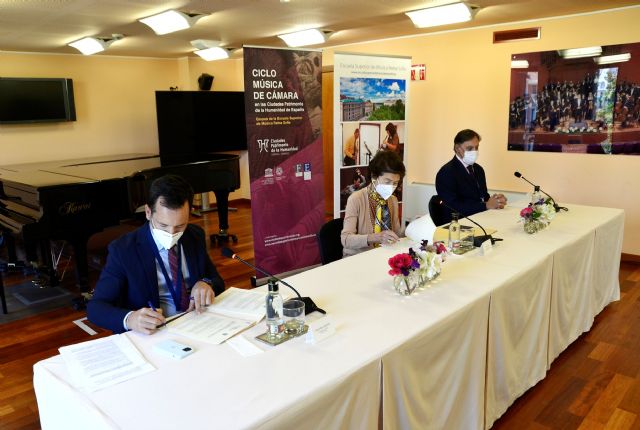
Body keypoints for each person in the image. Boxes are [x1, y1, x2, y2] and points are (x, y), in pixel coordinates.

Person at [87, 175, 225, 334]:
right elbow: (95, 307)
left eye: (180, 226)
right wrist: (130, 319)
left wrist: (205, 282)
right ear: (148, 212)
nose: (171, 233)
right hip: (154, 332)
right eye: (163, 225)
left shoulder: (194, 235)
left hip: (195, 323)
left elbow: (216, 280)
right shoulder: (123, 250)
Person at [341, 151, 405, 257]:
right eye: (387, 182)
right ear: (374, 177)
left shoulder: (392, 200)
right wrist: (375, 237)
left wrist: (412, 228)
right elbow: (346, 239)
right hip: (359, 258)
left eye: (395, 183)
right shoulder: (356, 199)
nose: (391, 187)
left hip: (384, 256)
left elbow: (396, 234)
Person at [435, 129, 506, 224]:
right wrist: (486, 205)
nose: (474, 151)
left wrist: (495, 201)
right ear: (457, 148)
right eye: (469, 148)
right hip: (457, 224)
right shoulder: (446, 172)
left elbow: (483, 197)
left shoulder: (478, 169)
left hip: (481, 218)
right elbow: (453, 206)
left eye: (476, 147)